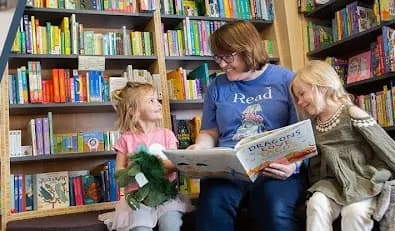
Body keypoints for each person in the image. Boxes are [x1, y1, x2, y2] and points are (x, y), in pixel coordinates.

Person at [186, 21, 305, 231]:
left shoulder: (287, 80)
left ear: (248, 50)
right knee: (213, 204)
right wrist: (200, 150)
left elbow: (302, 131)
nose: (222, 65)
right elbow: (209, 131)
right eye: (218, 57)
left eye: (228, 57)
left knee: (273, 207)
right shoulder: (217, 87)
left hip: (275, 169)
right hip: (230, 169)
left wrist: (293, 165)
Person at [290, 60, 395, 231]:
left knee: (354, 211)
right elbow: (314, 163)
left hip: (362, 179)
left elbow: (388, 149)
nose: (300, 101)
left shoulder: (352, 113)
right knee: (316, 204)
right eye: (297, 97)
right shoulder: (312, 125)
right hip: (331, 184)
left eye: (302, 94)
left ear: (323, 86)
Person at [99, 82, 193, 231]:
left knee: (171, 225)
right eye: (151, 101)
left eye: (157, 100)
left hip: (165, 197)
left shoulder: (167, 135)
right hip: (138, 199)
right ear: (133, 110)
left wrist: (153, 166)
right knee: (139, 228)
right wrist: (133, 169)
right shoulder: (125, 139)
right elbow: (118, 172)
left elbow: (174, 164)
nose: (158, 104)